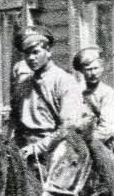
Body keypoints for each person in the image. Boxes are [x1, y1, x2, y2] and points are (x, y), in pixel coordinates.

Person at [9, 27, 84, 168]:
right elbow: (15, 122)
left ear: (49, 51)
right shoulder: (23, 84)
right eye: (27, 54)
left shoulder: (64, 81)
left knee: (56, 187)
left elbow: (68, 126)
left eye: (36, 52)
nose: (31, 58)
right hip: (24, 148)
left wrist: (39, 147)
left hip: (55, 147)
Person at [72, 45, 114, 147]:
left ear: (102, 68)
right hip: (76, 141)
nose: (93, 73)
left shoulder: (107, 93)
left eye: (96, 68)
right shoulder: (75, 91)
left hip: (101, 143)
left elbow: (107, 127)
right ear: (81, 71)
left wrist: (87, 141)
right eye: (88, 69)